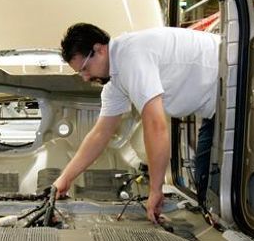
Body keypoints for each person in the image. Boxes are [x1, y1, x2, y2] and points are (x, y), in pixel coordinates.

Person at [52, 23, 221, 223]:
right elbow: (100, 134)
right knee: (207, 183)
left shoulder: (131, 57)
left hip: (235, 81)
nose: (86, 77)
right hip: (216, 106)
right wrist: (65, 179)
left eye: (85, 69)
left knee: (215, 187)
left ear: (100, 49)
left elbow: (156, 126)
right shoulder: (115, 81)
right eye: (80, 73)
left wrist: (155, 189)